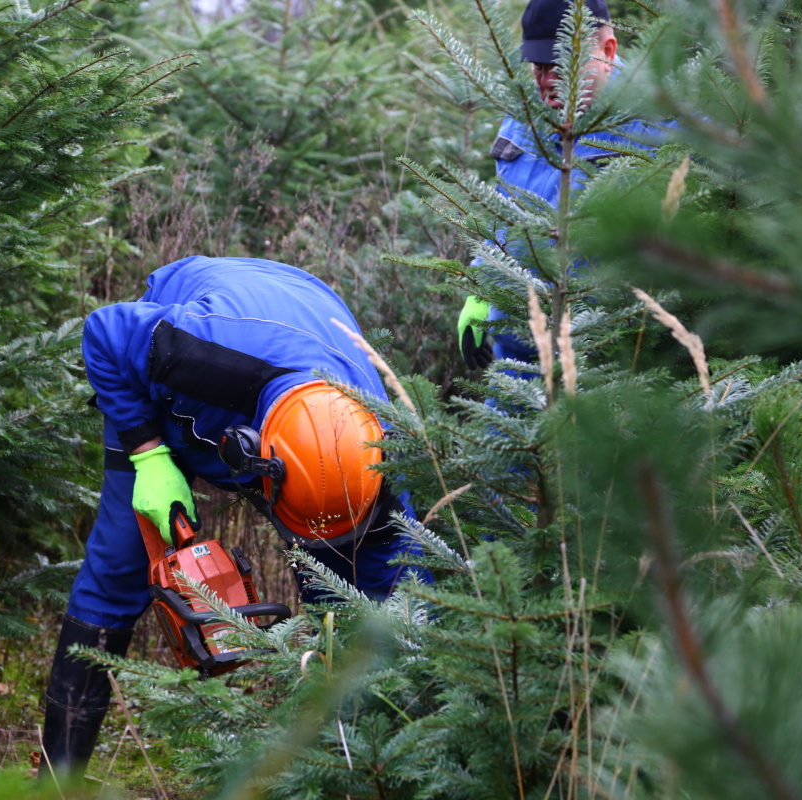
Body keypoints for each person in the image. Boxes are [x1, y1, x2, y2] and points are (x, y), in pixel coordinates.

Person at [41, 255, 428, 776]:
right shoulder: (194, 352)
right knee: (118, 565)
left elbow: (395, 595)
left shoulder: (378, 444)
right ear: (259, 465)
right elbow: (105, 332)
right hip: (193, 375)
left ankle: (342, 767)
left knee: (347, 587)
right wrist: (148, 454)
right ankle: (57, 778)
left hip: (304, 305)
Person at [457, 0, 674, 371]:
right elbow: (504, 213)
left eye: (561, 67)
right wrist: (481, 291)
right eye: (538, 66)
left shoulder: (662, 125)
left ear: (607, 51)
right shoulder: (523, 120)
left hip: (610, 371)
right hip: (519, 370)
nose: (545, 81)